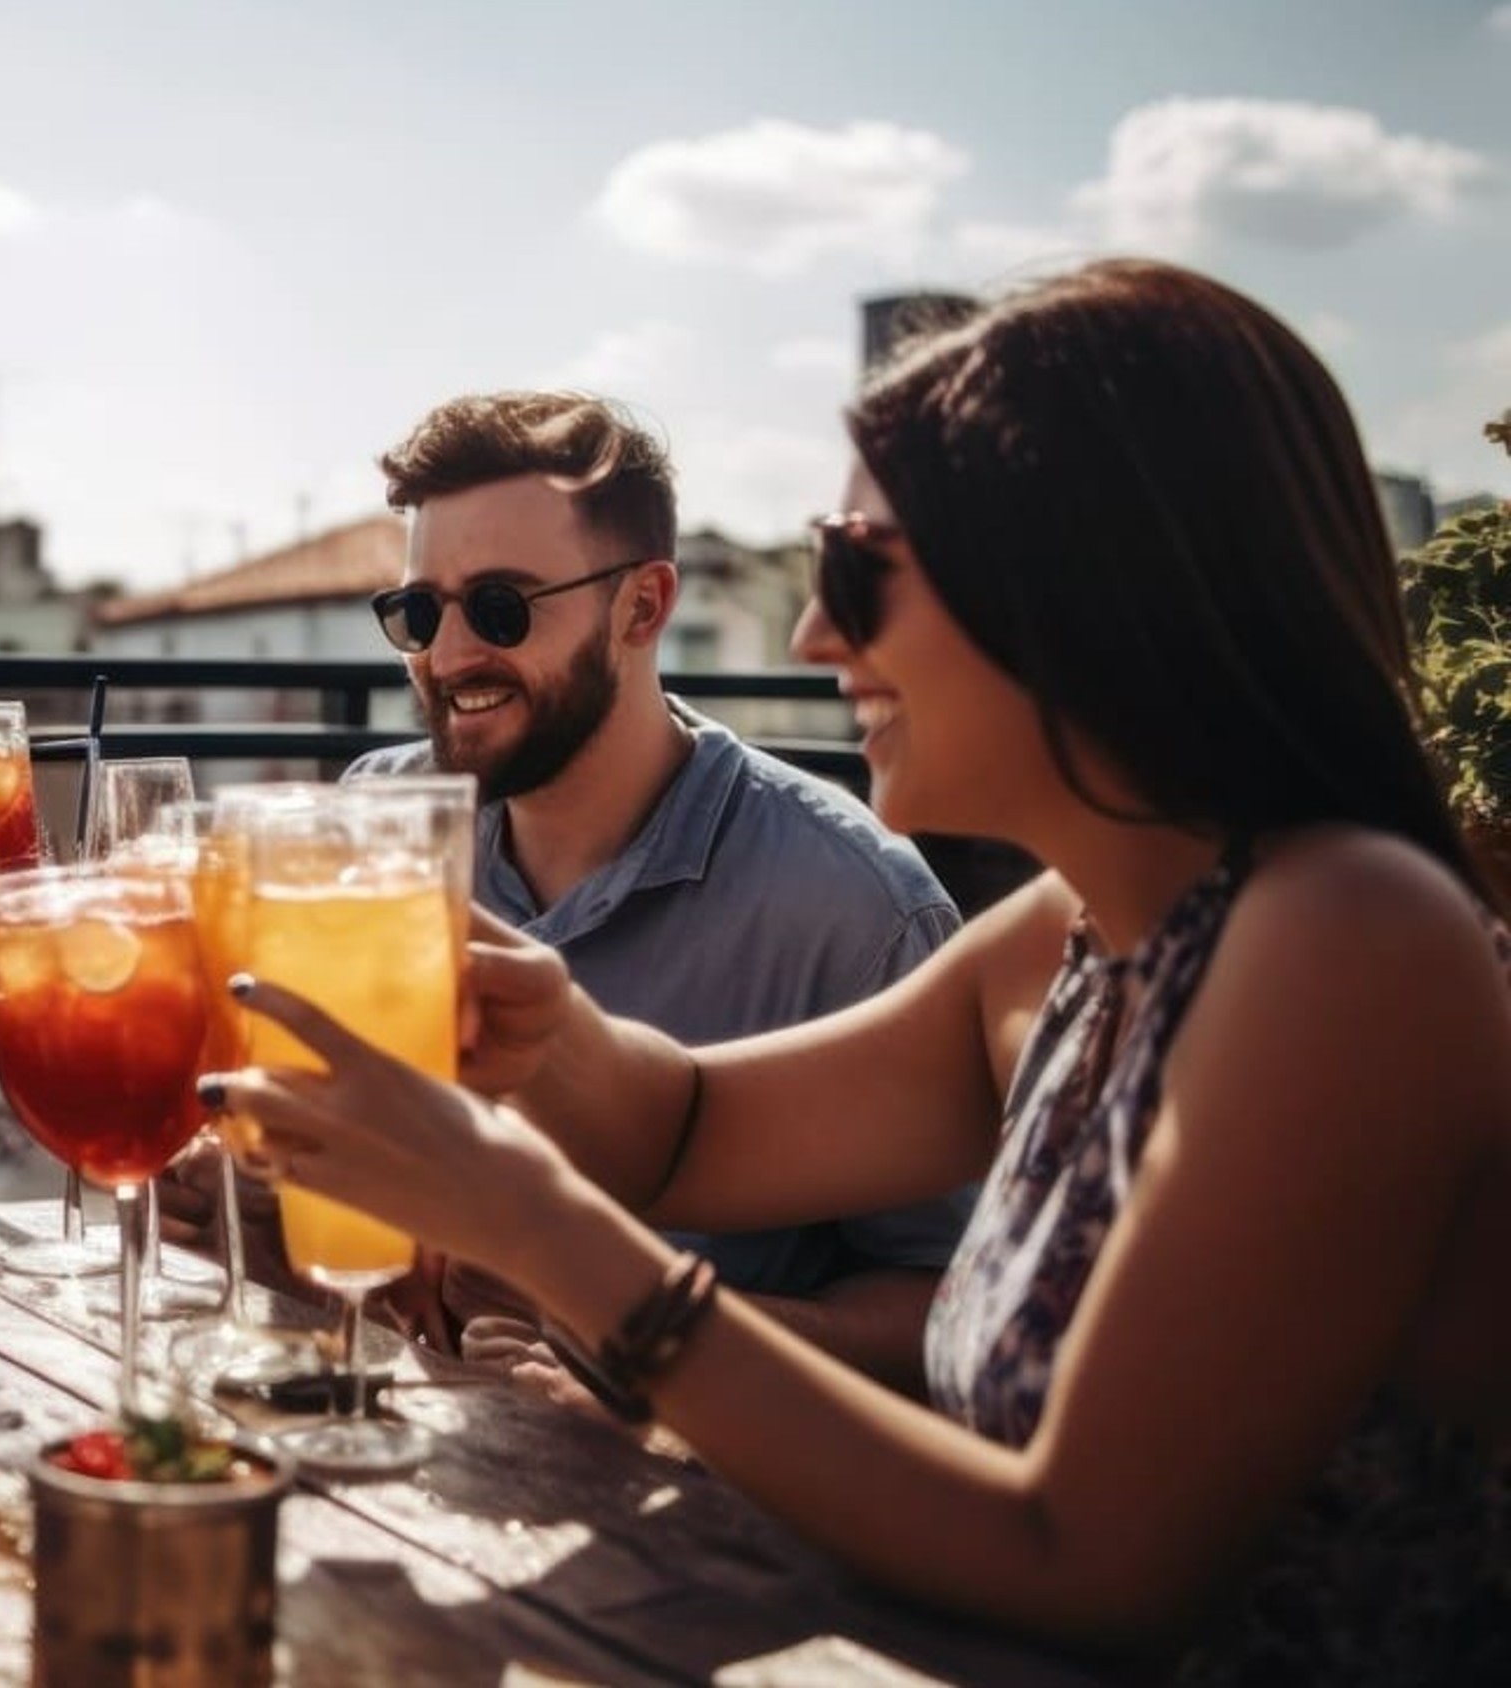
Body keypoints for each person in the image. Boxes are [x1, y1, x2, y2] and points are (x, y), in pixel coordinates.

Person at [211, 260, 1511, 1674]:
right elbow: (704, 1129)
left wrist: (542, 1235)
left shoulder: (1352, 937)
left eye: (856, 571)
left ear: (1082, 585)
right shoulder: (1078, 928)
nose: (814, 635)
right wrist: (545, 1033)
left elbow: (1086, 1559)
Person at [183, 389, 968, 1395]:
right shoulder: (372, 820)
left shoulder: (850, 904)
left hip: (681, 1520)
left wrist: (637, 1345)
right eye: (420, 611)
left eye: (502, 606)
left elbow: (945, 1314)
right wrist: (256, 1211)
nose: (451, 653)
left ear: (642, 606)